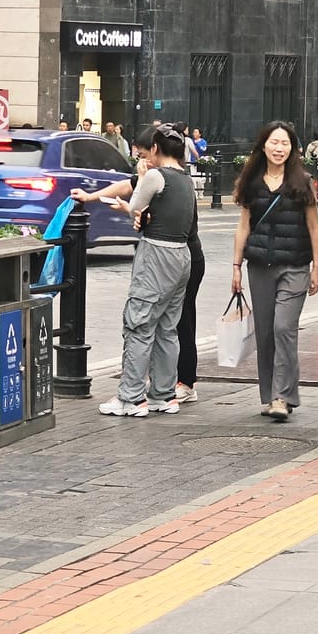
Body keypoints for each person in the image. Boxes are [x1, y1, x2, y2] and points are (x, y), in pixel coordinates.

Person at [98, 125, 196, 417]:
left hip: (156, 254)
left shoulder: (156, 175)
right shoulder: (186, 179)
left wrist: (140, 180)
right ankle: (163, 396)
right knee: (167, 328)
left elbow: (135, 206)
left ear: (155, 149)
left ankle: (130, 398)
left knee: (138, 324)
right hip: (182, 256)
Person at [232, 120, 318, 421]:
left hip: (295, 265)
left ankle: (283, 396)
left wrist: (316, 267)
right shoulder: (252, 181)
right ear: (263, 145)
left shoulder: (302, 181)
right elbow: (243, 225)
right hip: (259, 266)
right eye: (274, 142)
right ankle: (271, 394)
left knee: (284, 328)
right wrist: (235, 267)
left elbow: (313, 226)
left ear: (293, 148)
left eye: (285, 143)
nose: (279, 149)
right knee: (267, 333)